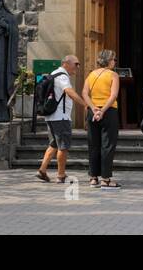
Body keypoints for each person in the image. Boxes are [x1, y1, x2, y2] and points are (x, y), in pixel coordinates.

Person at [36, 54, 84, 183]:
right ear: (66, 64)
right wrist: (85, 104)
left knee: (54, 145)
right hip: (60, 118)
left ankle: (42, 170)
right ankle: (61, 175)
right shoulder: (62, 76)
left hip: (51, 117)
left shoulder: (53, 74)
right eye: (76, 64)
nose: (77, 67)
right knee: (63, 146)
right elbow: (69, 91)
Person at [82, 49, 121, 188]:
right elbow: (113, 95)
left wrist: (93, 109)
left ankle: (93, 178)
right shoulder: (113, 75)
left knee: (93, 144)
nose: (115, 62)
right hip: (108, 111)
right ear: (108, 60)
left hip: (93, 111)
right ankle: (105, 179)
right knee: (107, 145)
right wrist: (103, 110)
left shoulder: (91, 74)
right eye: (113, 59)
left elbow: (85, 93)